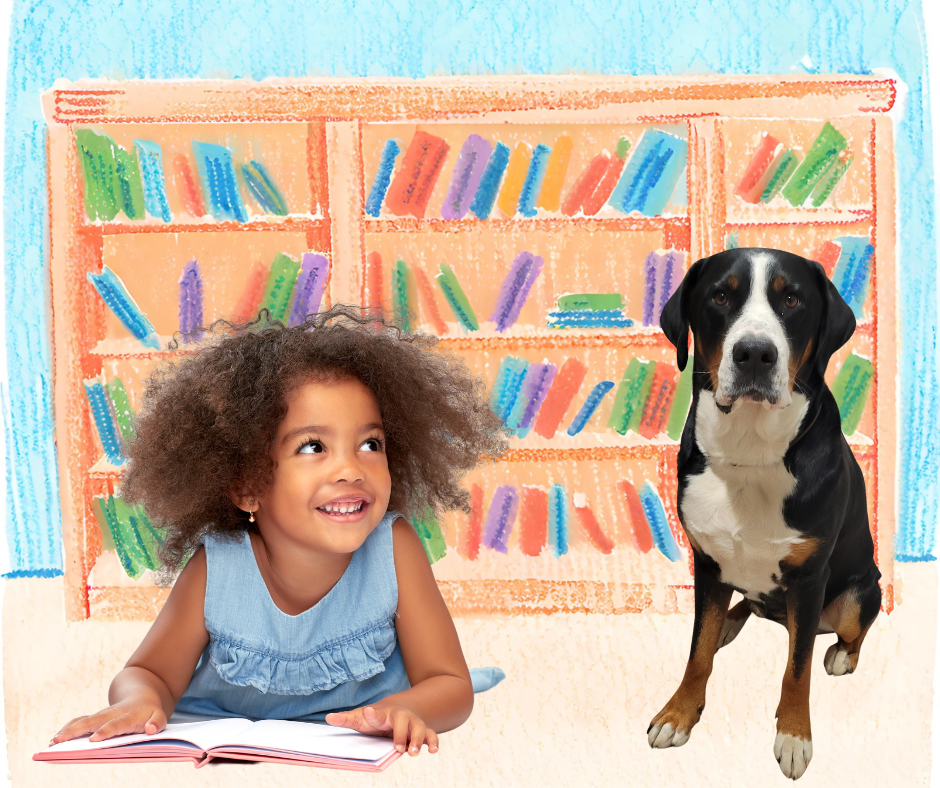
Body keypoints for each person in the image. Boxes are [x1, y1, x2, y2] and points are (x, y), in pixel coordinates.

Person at [51, 305, 508, 757]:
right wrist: (141, 700)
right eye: (313, 446)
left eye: (371, 443)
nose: (351, 468)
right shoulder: (219, 568)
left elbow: (449, 684)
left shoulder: (394, 548)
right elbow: (148, 672)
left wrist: (403, 709)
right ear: (248, 485)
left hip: (355, 734)